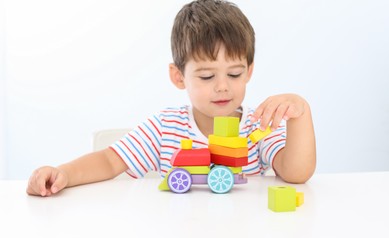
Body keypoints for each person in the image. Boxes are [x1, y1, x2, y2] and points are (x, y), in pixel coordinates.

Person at [26, 0, 316, 197]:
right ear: (179, 77)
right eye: (206, 77)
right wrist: (62, 173)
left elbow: (296, 173)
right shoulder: (166, 128)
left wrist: (300, 114)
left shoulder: (257, 126)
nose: (222, 87)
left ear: (249, 71)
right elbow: (108, 161)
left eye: (234, 74)